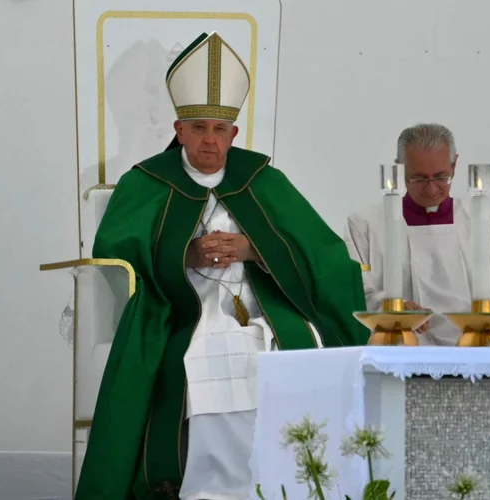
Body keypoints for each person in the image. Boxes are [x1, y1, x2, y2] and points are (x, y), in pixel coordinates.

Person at [74, 31, 369, 500]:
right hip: (183, 301)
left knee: (294, 345)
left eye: (219, 129)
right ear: (179, 130)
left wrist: (253, 249)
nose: (209, 140)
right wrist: (184, 254)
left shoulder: (264, 179)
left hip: (262, 298)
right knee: (209, 347)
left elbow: (321, 250)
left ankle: (283, 483)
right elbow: (114, 251)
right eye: (198, 129)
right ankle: (209, 488)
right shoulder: (146, 182)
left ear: (234, 133)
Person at [344, 123, 490, 346]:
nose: (431, 189)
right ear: (399, 169)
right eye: (419, 178)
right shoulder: (365, 225)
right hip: (398, 353)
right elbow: (355, 291)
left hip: (476, 356)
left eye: (440, 177)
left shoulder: (489, 224)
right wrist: (392, 308)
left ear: (454, 165)